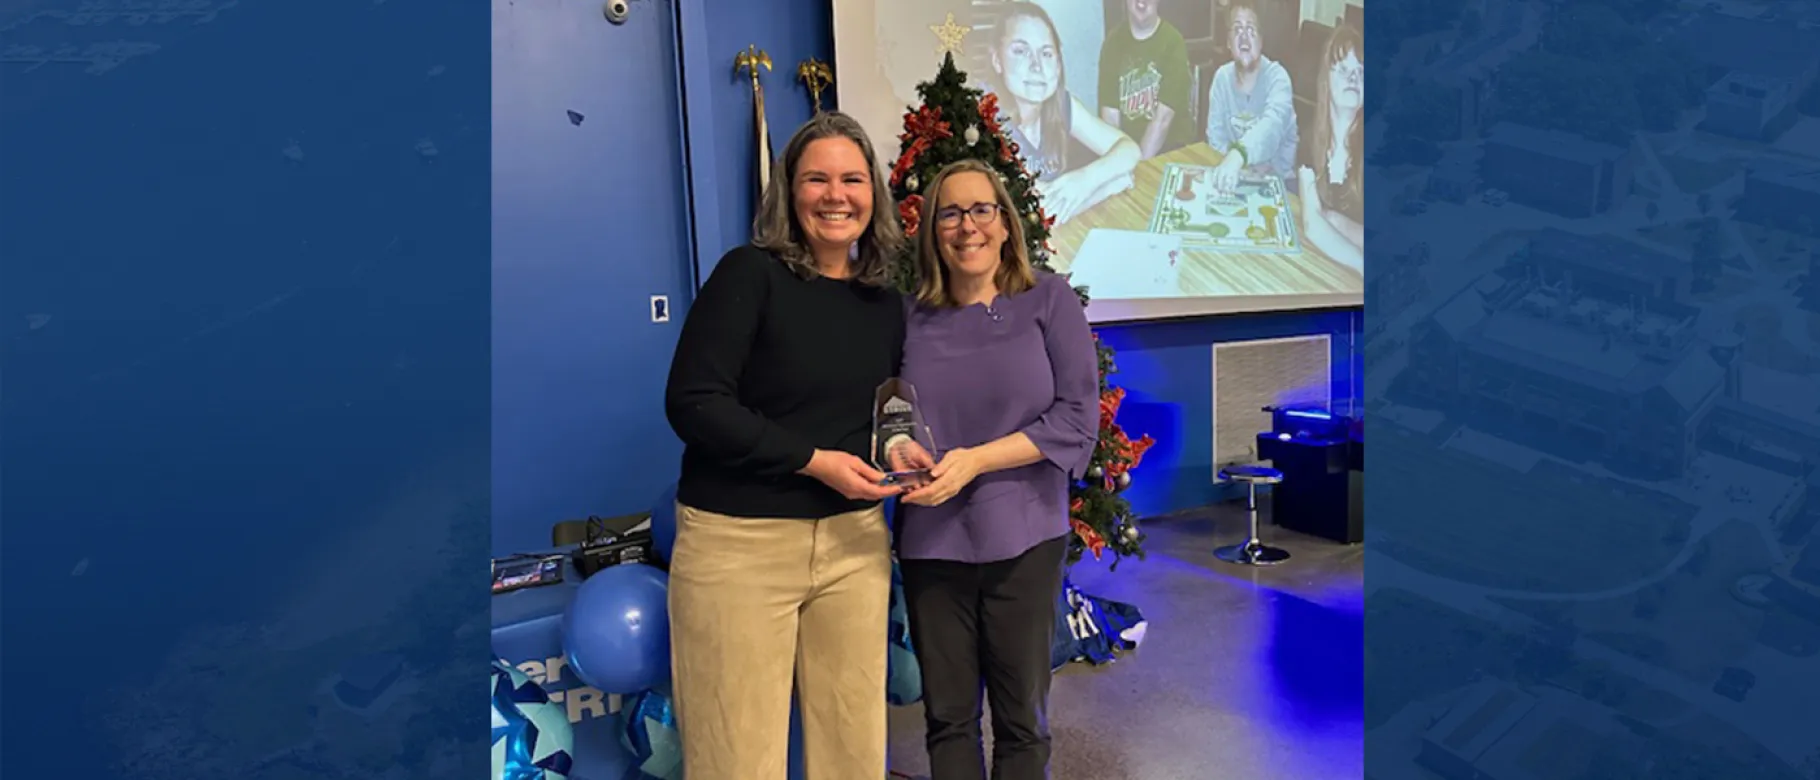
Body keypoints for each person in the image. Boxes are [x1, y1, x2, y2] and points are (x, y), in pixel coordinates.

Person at [663, 111, 906, 780]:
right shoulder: (749, 275)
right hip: (739, 547)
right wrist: (813, 461)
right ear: (787, 191)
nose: (836, 195)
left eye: (853, 179)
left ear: (873, 194)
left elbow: (887, 409)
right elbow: (694, 402)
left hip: (855, 546)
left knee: (855, 751)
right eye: (816, 178)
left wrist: (902, 449)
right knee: (736, 756)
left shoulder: (883, 301)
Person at [895, 158, 1100, 780]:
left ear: (1006, 224)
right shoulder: (908, 318)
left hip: (1026, 539)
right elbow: (888, 416)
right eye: (950, 214)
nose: (967, 226)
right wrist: (899, 453)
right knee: (949, 721)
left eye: (981, 209)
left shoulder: (1049, 300)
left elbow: (1075, 420)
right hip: (932, 545)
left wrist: (975, 462)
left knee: (1021, 723)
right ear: (932, 231)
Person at [983, 1, 1140, 224]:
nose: (1036, 65)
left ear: (1058, 65)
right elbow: (1029, 219)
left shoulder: (1061, 103)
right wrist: (1107, 187)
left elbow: (1129, 150)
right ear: (997, 60)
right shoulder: (983, 119)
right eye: (1021, 51)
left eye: (1046, 53)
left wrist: (1083, 180)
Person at [1204, 2, 1298, 193]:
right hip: (1235, 180)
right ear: (1228, 43)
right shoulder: (1221, 78)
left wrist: (1238, 156)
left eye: (1251, 29)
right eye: (1237, 29)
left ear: (1261, 41)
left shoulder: (1278, 78)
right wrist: (1237, 167)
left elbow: (1271, 128)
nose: (1244, 37)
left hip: (1279, 184)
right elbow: (1215, 139)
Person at [1297, 24, 1364, 272]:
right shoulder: (1308, 141)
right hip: (1333, 268)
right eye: (1344, 69)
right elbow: (1312, 223)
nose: (1354, 78)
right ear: (1326, 80)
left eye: (1361, 71)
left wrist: (1336, 221)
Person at [1099, 0, 1196, 159]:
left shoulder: (1173, 42)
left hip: (1170, 151)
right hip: (1128, 152)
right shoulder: (1112, 43)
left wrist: (1138, 166)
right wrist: (1116, 162)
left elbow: (1162, 121)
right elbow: (1109, 118)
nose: (1141, 2)